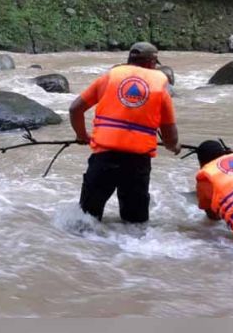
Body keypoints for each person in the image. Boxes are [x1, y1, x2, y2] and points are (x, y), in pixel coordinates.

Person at [69, 42, 179, 223]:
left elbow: (75, 109)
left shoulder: (108, 78)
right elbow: (169, 134)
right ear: (151, 63)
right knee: (135, 224)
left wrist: (82, 135)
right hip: (137, 162)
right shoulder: (160, 87)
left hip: (104, 158)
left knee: (86, 220)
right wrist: (173, 146)